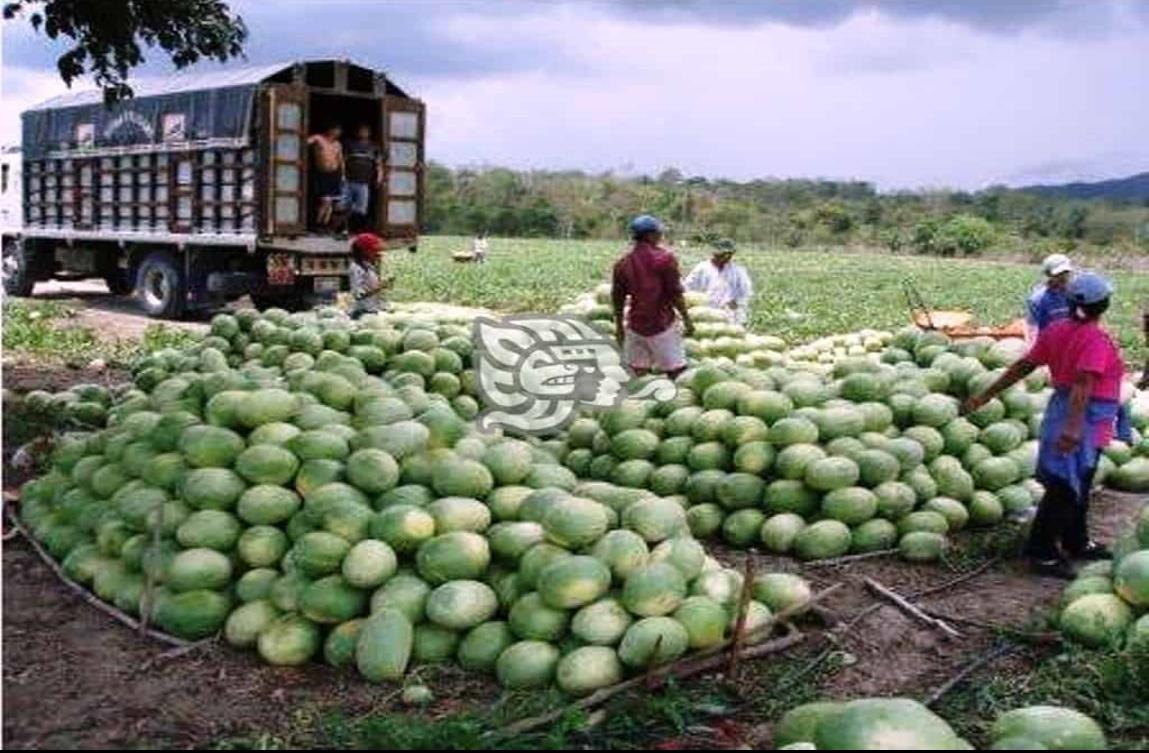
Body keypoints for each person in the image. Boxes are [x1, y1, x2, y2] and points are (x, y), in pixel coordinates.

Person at [962, 272, 1129, 579]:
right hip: (1082, 417)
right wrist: (1073, 430)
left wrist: (987, 394)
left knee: (1079, 483)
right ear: (1103, 305)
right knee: (1065, 488)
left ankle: (1077, 542)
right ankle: (1042, 553)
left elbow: (1024, 365)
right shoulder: (1095, 339)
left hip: (1066, 411)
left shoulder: (1056, 330)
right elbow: (1083, 385)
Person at [611, 215, 694, 379]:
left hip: (636, 326)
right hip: (662, 325)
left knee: (636, 372)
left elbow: (617, 298)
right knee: (677, 372)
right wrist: (687, 319)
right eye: (659, 233)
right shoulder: (665, 259)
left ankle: (634, 401)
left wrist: (620, 327)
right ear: (650, 235)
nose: (661, 236)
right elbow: (675, 294)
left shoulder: (622, 263)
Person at [683, 238, 753, 326]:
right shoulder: (702, 268)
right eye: (723, 254)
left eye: (729, 254)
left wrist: (737, 302)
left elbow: (746, 291)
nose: (726, 257)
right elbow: (687, 287)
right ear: (715, 253)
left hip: (729, 313)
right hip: (705, 314)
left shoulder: (738, 271)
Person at [1024, 253, 1073, 342]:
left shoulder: (1074, 295)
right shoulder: (1038, 299)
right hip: (1048, 344)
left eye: (1066, 273)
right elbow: (1032, 329)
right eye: (1058, 274)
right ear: (1048, 274)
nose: (1063, 277)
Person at [343, 124, 381, 233]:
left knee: (361, 209)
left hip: (364, 182)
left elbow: (378, 164)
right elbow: (342, 161)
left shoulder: (374, 147)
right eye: (361, 130)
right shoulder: (350, 144)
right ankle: (344, 229)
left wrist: (379, 177)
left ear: (369, 133)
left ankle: (356, 229)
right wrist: (342, 176)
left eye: (365, 131)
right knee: (344, 206)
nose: (363, 132)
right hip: (348, 180)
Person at [308, 124, 344, 231]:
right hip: (322, 173)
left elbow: (340, 160)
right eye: (336, 129)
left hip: (334, 174)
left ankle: (325, 225)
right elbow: (304, 142)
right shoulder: (318, 139)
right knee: (325, 201)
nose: (337, 132)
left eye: (339, 131)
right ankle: (318, 223)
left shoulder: (337, 144)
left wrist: (343, 175)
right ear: (330, 129)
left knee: (331, 202)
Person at [347, 232, 390, 318]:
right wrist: (379, 287)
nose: (378, 253)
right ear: (365, 251)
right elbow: (358, 294)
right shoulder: (356, 268)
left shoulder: (369, 267)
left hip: (372, 311)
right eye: (374, 250)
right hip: (362, 313)